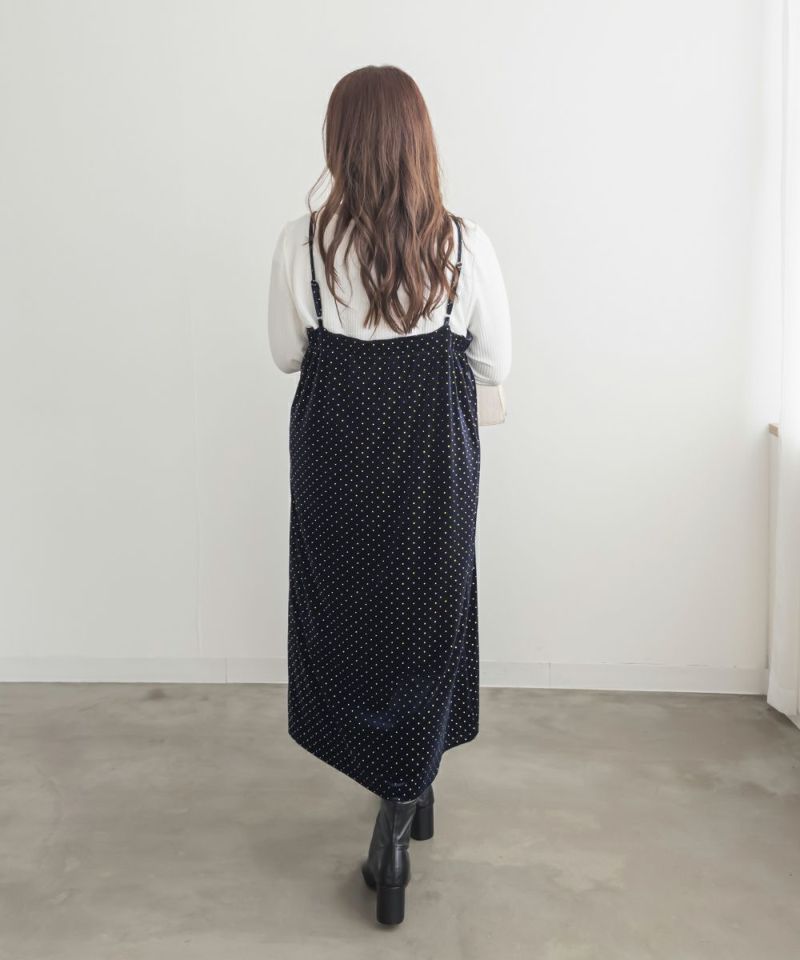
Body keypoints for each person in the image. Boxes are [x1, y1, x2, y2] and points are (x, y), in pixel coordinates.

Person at [267, 64, 512, 926]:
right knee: (428, 615)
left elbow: (287, 355)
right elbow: (495, 364)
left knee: (348, 615)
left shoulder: (301, 243)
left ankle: (401, 789)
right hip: (434, 466)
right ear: (419, 141)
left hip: (335, 463)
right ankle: (405, 808)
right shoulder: (464, 245)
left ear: (340, 143)